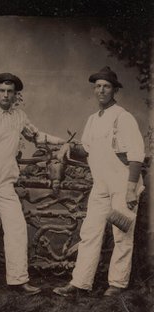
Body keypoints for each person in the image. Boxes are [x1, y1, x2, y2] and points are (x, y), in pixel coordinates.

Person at [0, 72, 65, 293]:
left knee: (17, 226)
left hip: (5, 181)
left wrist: (63, 141)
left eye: (10, 92)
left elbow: (37, 136)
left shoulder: (20, 117)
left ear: (15, 95)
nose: (6, 95)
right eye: (2, 91)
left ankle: (18, 279)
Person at [53, 66, 145, 297]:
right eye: (98, 86)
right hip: (101, 185)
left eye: (106, 86)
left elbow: (136, 155)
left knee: (122, 235)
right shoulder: (93, 119)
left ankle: (117, 283)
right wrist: (69, 146)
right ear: (94, 90)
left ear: (114, 90)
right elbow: (87, 148)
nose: (101, 90)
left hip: (124, 185)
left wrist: (131, 189)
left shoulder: (123, 118)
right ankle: (80, 283)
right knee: (90, 233)